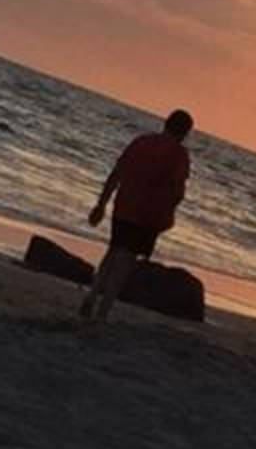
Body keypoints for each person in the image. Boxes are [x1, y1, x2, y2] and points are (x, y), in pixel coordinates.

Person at [79, 109, 194, 321]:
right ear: (185, 133)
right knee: (125, 262)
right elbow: (177, 193)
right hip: (147, 215)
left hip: (123, 206)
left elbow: (117, 173)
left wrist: (101, 204)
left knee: (113, 251)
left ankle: (93, 294)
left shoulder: (141, 142)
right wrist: (166, 217)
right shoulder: (179, 156)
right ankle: (103, 310)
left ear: (165, 123)